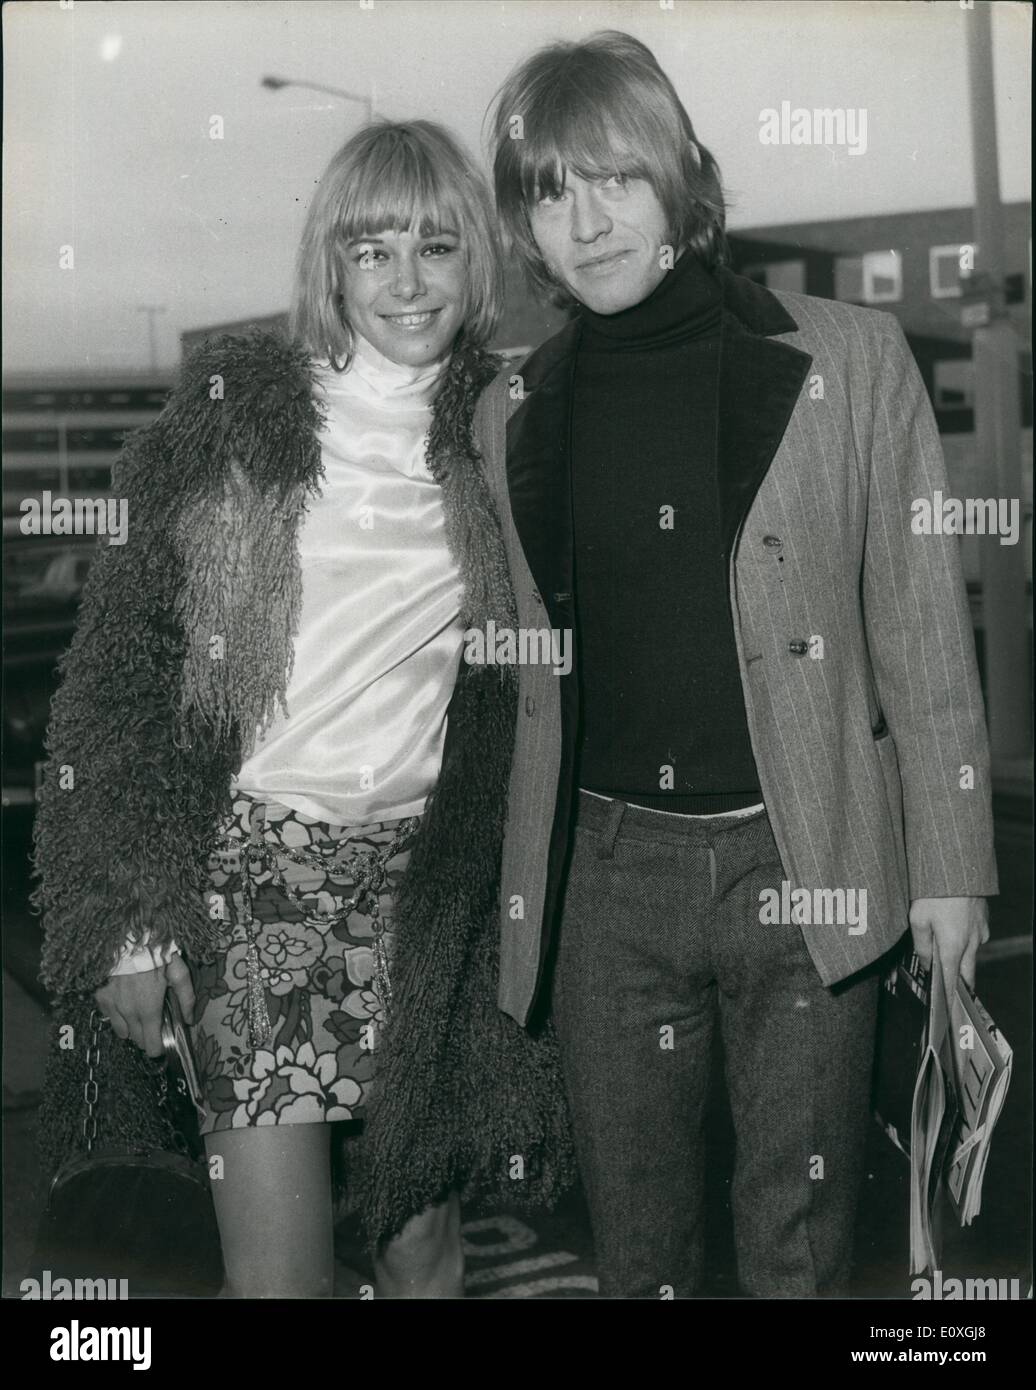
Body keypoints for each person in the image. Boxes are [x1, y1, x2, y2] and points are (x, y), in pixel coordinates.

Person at [473, 30, 997, 1297]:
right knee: (636, 1253)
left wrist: (951, 871)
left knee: (800, 1248)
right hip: (603, 885)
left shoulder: (850, 359)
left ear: (678, 180)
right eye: (550, 191)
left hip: (804, 859)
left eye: (612, 178)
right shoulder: (512, 413)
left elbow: (922, 638)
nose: (584, 220)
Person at [34, 119, 571, 1299]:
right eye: (372, 250)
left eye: (435, 247)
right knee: (277, 1278)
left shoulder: (509, 428)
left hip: (430, 889)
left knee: (424, 1252)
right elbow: (118, 685)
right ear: (329, 264)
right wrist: (129, 924)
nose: (406, 282)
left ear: (476, 258)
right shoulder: (235, 420)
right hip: (253, 878)